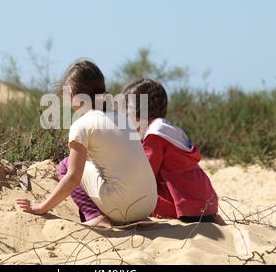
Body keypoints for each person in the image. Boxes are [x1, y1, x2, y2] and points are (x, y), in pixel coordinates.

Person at [16, 60, 157, 227]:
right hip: (148, 205)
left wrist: (41, 207)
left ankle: (96, 217)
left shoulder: (82, 124)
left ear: (73, 94)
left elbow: (73, 177)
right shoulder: (121, 117)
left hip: (124, 208)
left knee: (65, 166)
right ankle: (124, 214)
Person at [122, 78, 225, 225]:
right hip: (206, 205)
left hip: (184, 207)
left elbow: (145, 174)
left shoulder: (154, 136)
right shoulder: (170, 130)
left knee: (131, 196)